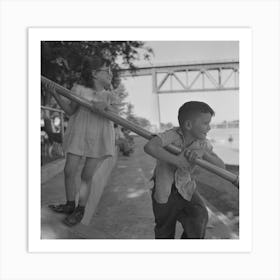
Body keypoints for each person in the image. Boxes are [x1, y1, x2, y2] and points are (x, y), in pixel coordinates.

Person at [45, 55, 118, 226]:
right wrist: (55, 94)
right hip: (79, 133)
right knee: (69, 170)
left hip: (99, 138)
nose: (110, 74)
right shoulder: (78, 89)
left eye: (110, 71)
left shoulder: (109, 94)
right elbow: (70, 110)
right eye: (106, 71)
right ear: (94, 73)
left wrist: (106, 107)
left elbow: (116, 115)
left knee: (87, 174)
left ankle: (80, 209)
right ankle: (70, 204)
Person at [144, 101, 225, 239]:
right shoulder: (173, 135)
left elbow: (221, 166)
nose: (209, 128)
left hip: (186, 189)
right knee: (164, 230)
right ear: (188, 125)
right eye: (205, 123)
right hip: (164, 192)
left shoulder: (203, 143)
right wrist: (177, 160)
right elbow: (150, 147)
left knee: (199, 217)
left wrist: (203, 154)